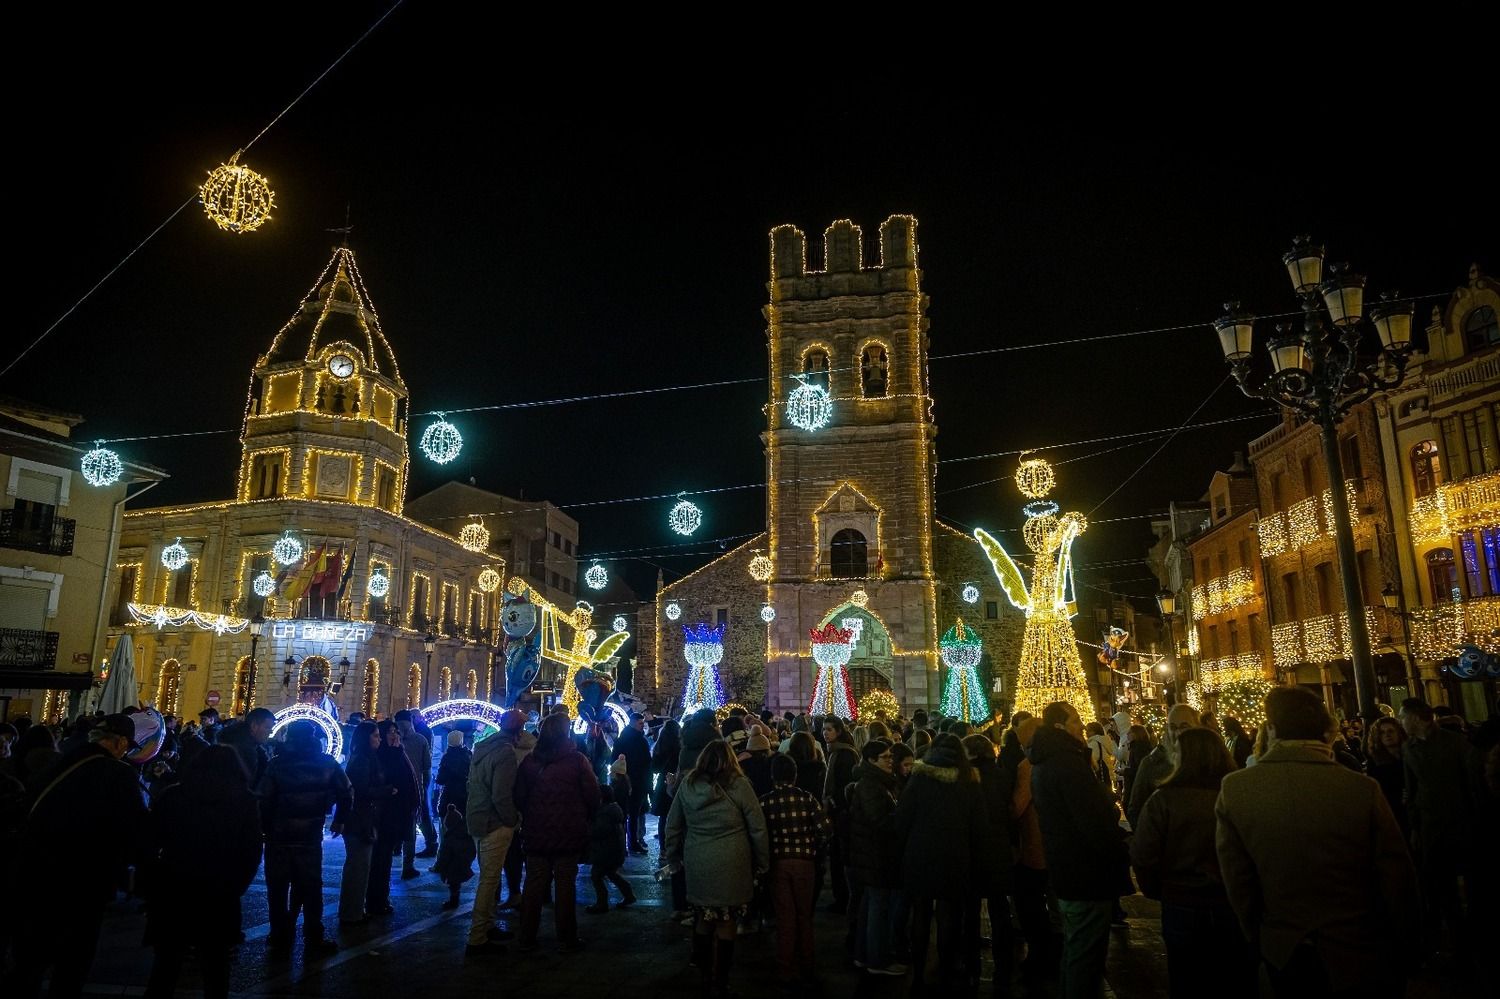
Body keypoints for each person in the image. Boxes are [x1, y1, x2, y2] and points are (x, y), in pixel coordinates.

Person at [1217, 686, 1417, 998]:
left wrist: (1260, 935)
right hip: (1358, 945)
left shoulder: (1236, 789)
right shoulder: (1361, 788)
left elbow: (1238, 880)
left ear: (1272, 729)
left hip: (1284, 946)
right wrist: (1405, 943)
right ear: (1327, 731)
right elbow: (1396, 876)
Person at [8, 715, 150, 997]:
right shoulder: (118, 774)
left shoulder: (61, 763)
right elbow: (136, 830)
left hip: (34, 872)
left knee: (30, 959)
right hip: (85, 881)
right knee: (73, 960)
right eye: (127, 747)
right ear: (120, 742)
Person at [1130, 728, 1252, 999]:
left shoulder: (1164, 800)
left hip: (1182, 903)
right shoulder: (1235, 795)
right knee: (1235, 978)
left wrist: (1159, 890)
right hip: (1231, 903)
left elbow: (1143, 855)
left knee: (1187, 978)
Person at [143, 746, 262, 999]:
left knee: (165, 967)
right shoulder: (244, 799)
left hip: (175, 887)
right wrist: (235, 888)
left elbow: (150, 843)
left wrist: (154, 883)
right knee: (216, 969)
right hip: (219, 891)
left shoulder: (172, 795)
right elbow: (251, 853)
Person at [1029, 702, 1130, 999]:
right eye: (1075, 720)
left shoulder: (1047, 761)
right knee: (1086, 954)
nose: (1081, 725)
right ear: (1060, 726)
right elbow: (1091, 820)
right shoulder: (1066, 764)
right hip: (1084, 871)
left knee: (1078, 951)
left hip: (1068, 868)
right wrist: (1116, 846)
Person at [665, 738, 770, 997]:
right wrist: (763, 861)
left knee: (703, 915)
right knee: (726, 919)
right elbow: (757, 827)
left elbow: (673, 824)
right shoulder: (740, 786)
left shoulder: (688, 786)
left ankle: (702, 969)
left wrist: (672, 855)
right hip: (732, 859)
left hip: (699, 857)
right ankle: (721, 977)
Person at [262, 720, 352, 954]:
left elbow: (263, 799)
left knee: (278, 888)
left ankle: (279, 933)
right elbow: (347, 791)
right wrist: (340, 819)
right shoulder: (327, 763)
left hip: (278, 835)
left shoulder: (276, 765)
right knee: (311, 886)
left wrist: (265, 827)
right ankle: (314, 936)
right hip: (310, 834)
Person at [1399, 696, 1476, 964]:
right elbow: (1411, 788)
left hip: (1461, 824)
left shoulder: (1455, 744)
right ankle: (1458, 943)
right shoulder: (1408, 748)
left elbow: (1471, 786)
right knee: (1443, 891)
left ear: (1417, 718)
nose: (1401, 721)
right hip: (1430, 826)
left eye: (1403, 716)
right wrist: (1415, 826)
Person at [514, 712, 600, 952]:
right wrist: (585, 817)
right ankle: (567, 936)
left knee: (533, 884)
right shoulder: (577, 761)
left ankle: (527, 935)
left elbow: (519, 796)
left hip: (536, 833)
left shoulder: (530, 762)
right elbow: (593, 796)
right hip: (568, 833)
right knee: (565, 885)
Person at [760, 750, 832, 986]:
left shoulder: (766, 801)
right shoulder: (807, 798)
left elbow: (760, 834)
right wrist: (815, 846)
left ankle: (785, 967)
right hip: (805, 862)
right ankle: (808, 964)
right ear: (795, 775)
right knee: (804, 915)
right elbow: (824, 829)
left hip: (778, 863)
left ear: (772, 776)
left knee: (785, 917)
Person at [464, 708, 526, 955]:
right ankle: (478, 937)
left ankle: (488, 926)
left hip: (477, 817)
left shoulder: (483, 747)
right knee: (489, 880)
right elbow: (501, 794)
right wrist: (512, 820)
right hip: (494, 822)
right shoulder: (505, 753)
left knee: (489, 877)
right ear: (519, 732)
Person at [964, 732, 1017, 992]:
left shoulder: (964, 778)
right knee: (1000, 910)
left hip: (972, 851)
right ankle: (1004, 965)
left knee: (970, 911)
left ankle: (971, 966)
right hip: (998, 849)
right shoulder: (1002, 775)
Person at [335, 721, 390, 927]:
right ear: (365, 738)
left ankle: (355, 910)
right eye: (376, 735)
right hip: (359, 819)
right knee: (357, 867)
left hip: (364, 818)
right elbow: (360, 790)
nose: (379, 739)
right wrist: (387, 790)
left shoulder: (366, 758)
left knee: (360, 866)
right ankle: (351, 914)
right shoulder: (362, 760)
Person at [1127, 703, 1200, 828]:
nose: (1177, 732)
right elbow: (1135, 809)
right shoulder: (1151, 763)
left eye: (1184, 726)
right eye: (1172, 727)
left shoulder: (1208, 760)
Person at [372, 720, 419, 911]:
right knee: (380, 860)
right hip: (384, 814)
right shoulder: (382, 756)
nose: (394, 735)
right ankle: (377, 900)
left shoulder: (398, 752)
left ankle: (380, 899)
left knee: (386, 858)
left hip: (397, 812)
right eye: (389, 732)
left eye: (395, 731)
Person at [821, 715, 859, 915]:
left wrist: (833, 803)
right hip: (838, 812)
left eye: (829, 729)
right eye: (824, 729)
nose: (825, 733)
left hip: (842, 814)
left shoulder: (844, 754)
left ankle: (843, 898)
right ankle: (841, 897)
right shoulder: (834, 752)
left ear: (839, 731)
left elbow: (845, 786)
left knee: (840, 857)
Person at [393, 710, 437, 866]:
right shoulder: (417, 739)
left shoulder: (419, 739)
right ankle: (405, 853)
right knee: (414, 819)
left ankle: (428, 845)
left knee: (419, 817)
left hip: (413, 787)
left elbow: (427, 768)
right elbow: (427, 767)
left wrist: (424, 786)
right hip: (407, 787)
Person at [585, 783, 635, 913]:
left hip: (605, 853)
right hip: (615, 852)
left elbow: (598, 831)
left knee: (596, 876)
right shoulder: (614, 810)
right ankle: (628, 895)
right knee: (612, 874)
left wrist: (587, 828)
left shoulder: (604, 814)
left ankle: (602, 903)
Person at [612, 711, 653, 853]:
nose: (643, 726)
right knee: (634, 814)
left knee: (626, 813)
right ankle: (632, 843)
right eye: (640, 723)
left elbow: (614, 759)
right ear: (633, 723)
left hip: (624, 781)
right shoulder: (640, 741)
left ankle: (621, 844)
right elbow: (647, 763)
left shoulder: (622, 739)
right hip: (637, 781)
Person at [1363, 715, 1408, 837]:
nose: (1387, 735)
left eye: (1390, 731)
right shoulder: (1376, 761)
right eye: (1382, 733)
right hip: (1391, 810)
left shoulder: (1410, 756)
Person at [219, 707, 275, 789]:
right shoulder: (246, 751)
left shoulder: (235, 742)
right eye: (267, 727)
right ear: (254, 726)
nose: (271, 732)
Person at [433, 803, 476, 910]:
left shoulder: (449, 839)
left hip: (451, 867)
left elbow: (444, 856)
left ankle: (453, 902)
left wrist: (438, 867)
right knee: (456, 885)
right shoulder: (467, 835)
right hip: (463, 864)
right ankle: (454, 900)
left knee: (453, 885)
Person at [434, 729, 471, 816]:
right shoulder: (468, 755)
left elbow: (440, 779)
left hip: (449, 795)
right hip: (465, 793)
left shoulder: (447, 758)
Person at [1084, 720, 1117, 787]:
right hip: (1107, 777)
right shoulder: (1104, 742)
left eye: (1088, 730)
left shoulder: (1094, 744)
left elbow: (1091, 762)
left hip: (1099, 780)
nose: (1086, 733)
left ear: (1094, 731)